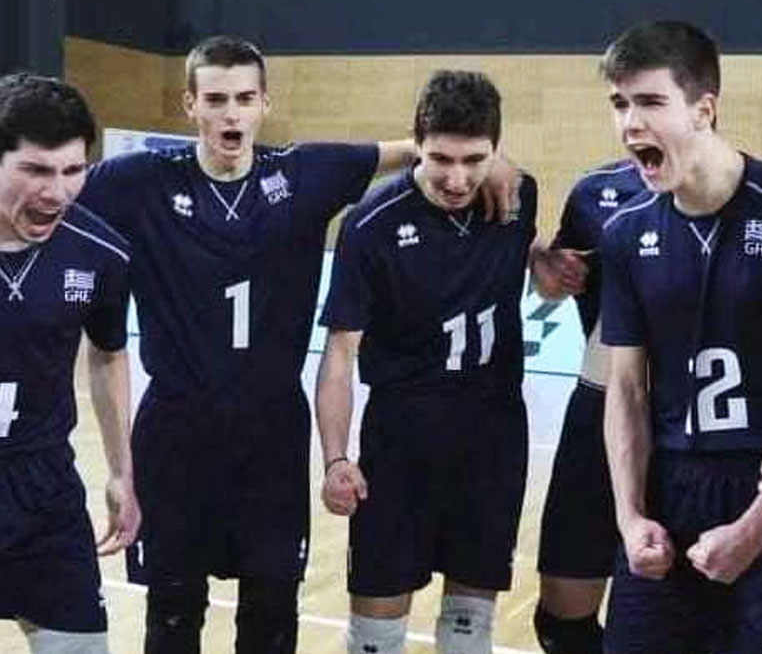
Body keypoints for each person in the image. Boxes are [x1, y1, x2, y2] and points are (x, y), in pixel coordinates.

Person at [74, 36, 519, 654]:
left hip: (272, 436)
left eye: (244, 98)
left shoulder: (305, 173)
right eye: (216, 100)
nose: (231, 113)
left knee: (271, 617)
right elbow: (47, 190)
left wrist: (498, 161)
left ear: (265, 103)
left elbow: (411, 149)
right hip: (176, 432)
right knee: (172, 616)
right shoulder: (138, 181)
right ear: (190, 105)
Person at [598, 20, 762, 654]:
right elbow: (626, 390)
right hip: (670, 484)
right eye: (620, 104)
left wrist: (755, 527)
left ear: (704, 109)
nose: (631, 123)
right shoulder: (626, 233)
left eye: (651, 102)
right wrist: (630, 518)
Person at [316, 69, 537, 654]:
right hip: (401, 443)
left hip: (493, 439)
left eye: (475, 160)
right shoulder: (371, 224)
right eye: (440, 159)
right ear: (416, 143)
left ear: (496, 149)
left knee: (469, 632)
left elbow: (528, 229)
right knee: (375, 636)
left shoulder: (517, 196)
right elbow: (339, 353)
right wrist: (335, 458)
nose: (457, 179)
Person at [0, 73, 140, 653]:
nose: (56, 192)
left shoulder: (101, 252)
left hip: (44, 490)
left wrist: (122, 472)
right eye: (35, 170)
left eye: (73, 170)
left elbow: (108, 356)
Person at [528, 158, 644, 654]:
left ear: (705, 117)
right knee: (561, 621)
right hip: (597, 401)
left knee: (662, 615)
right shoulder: (594, 192)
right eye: (624, 114)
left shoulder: (748, 198)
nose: (635, 124)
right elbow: (552, 279)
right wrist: (551, 270)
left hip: (684, 423)